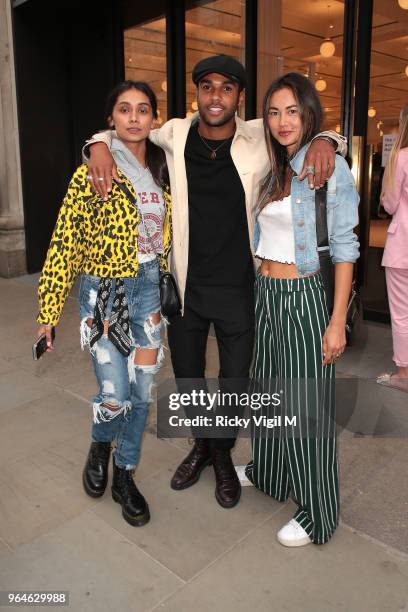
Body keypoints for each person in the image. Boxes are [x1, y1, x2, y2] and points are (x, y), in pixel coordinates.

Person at [84, 55, 347, 509]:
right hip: (186, 288)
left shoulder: (257, 139)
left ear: (239, 98)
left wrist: (329, 138)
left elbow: (300, 135)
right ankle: (202, 445)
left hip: (240, 288)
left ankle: (222, 453)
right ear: (197, 94)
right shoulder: (176, 133)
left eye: (227, 88)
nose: (216, 96)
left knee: (234, 382)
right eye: (208, 87)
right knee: (188, 378)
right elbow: (127, 126)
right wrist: (97, 145)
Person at [36, 80, 172, 526]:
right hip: (103, 295)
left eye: (143, 109)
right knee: (114, 393)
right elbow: (64, 243)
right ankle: (100, 443)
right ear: (110, 118)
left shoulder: (165, 168)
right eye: (124, 109)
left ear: (153, 118)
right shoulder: (93, 170)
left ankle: (126, 474)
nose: (134, 117)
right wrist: (47, 313)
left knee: (143, 392)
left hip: (149, 290)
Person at [245, 72, 359, 546]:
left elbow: (346, 244)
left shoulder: (327, 165)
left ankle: (318, 510)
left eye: (292, 111)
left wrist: (336, 322)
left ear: (309, 112)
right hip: (266, 294)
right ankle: (270, 473)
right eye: (273, 111)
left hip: (304, 297)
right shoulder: (277, 167)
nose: (281, 120)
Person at [377, 105, 408, 390]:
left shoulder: (401, 157)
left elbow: (390, 203)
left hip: (403, 246)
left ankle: (403, 374)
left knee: (401, 311)